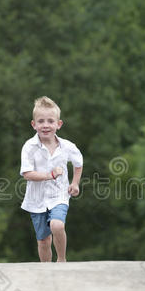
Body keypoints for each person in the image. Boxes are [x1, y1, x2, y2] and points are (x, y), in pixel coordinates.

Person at [20, 96, 83, 262]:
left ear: (58, 124)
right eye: (41, 121)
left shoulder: (68, 147)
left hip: (59, 195)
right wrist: (50, 175)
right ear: (34, 125)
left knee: (57, 225)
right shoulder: (29, 147)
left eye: (50, 121)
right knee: (43, 241)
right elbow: (27, 174)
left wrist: (75, 183)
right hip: (36, 199)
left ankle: (62, 259)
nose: (45, 125)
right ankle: (46, 270)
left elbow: (79, 163)